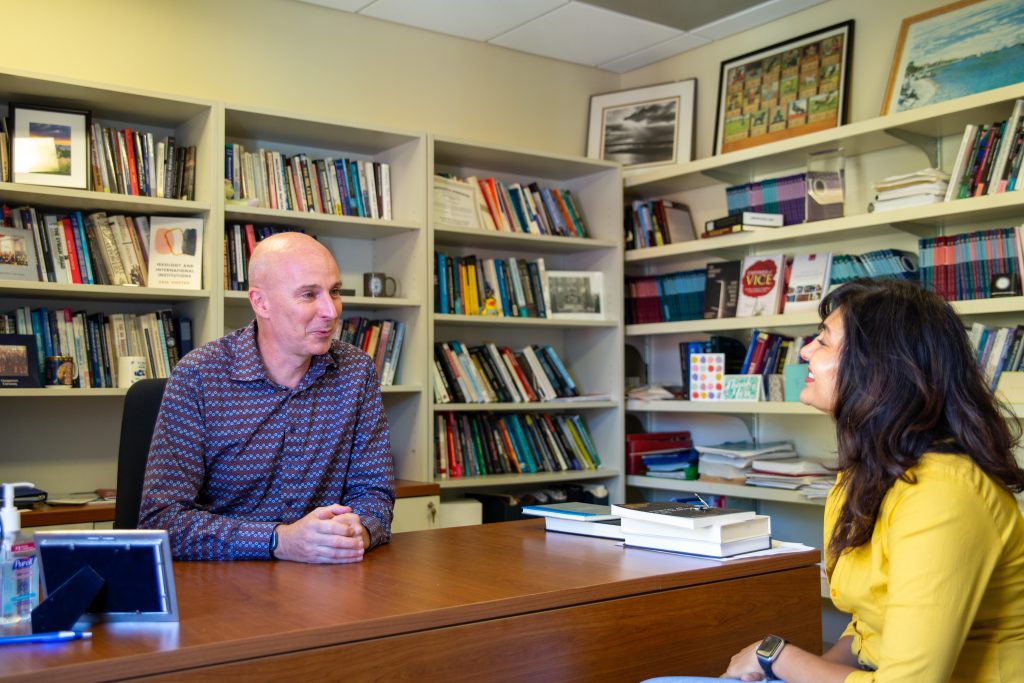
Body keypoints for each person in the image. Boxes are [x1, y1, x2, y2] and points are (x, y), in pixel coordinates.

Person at [645, 278, 1024, 682]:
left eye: (823, 341)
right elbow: (867, 631)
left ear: (878, 366)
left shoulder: (945, 494)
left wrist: (775, 656)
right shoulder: (865, 473)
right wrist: (785, 670)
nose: (805, 351)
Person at [139, 232, 395, 563]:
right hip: (222, 586)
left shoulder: (355, 371)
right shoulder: (199, 376)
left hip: (324, 578)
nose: (330, 311)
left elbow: (375, 493)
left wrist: (355, 531)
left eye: (334, 292)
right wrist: (279, 541)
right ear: (261, 302)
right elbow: (162, 520)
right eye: (308, 295)